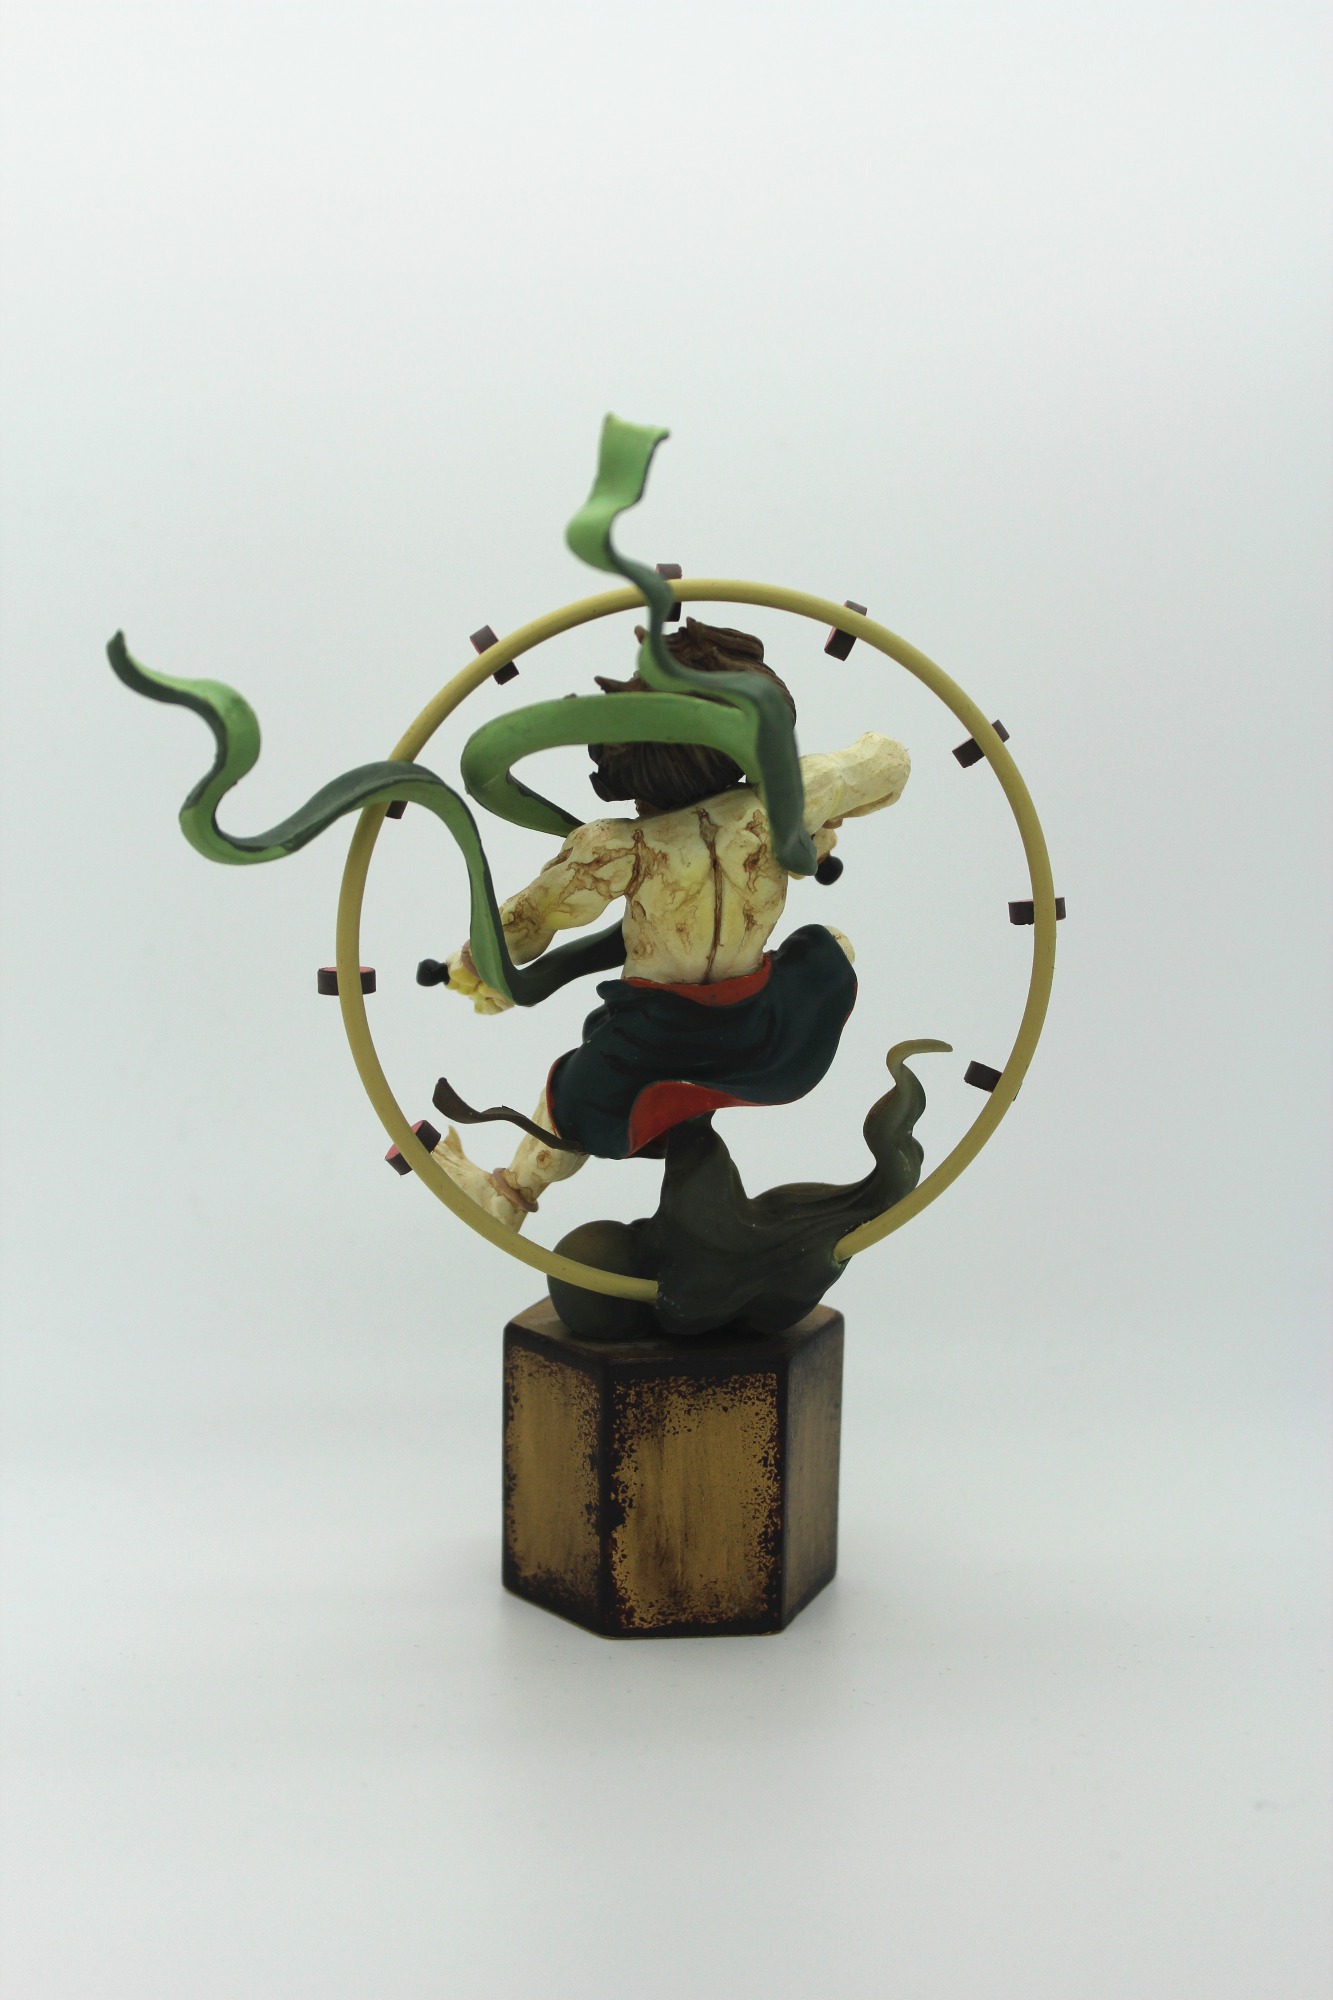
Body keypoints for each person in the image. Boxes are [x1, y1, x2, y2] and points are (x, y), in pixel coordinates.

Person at [433, 618, 910, 1230]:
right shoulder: (783, 801)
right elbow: (888, 762)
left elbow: (527, 923)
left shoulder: (616, 847)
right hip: (760, 1023)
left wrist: (474, 963)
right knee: (830, 947)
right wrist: (811, 807)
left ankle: (512, 1194)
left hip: (657, 1037)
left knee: (571, 1101)